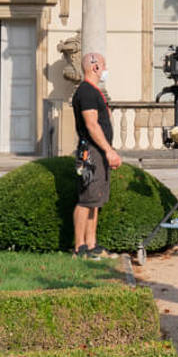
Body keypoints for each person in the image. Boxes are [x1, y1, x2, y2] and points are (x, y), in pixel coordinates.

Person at [70, 51, 121, 257]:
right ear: (95, 67)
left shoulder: (93, 91)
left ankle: (92, 244)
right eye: (104, 65)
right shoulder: (86, 92)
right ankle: (79, 247)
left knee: (96, 199)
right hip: (91, 152)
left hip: (99, 151)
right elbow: (91, 124)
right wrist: (108, 151)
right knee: (86, 199)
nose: (106, 69)